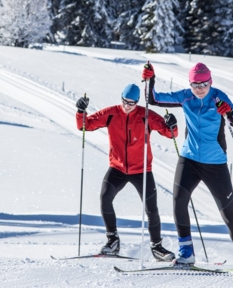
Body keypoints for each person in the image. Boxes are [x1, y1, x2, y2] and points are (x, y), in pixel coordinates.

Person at [142, 61, 233, 272]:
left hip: (215, 163)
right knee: (179, 200)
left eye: (203, 85)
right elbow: (153, 99)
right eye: (195, 85)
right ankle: (186, 253)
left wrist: (229, 113)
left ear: (210, 82)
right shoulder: (185, 97)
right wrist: (149, 80)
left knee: (228, 213)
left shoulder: (218, 97)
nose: (199, 89)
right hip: (189, 159)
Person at [75, 83, 177, 261]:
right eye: (125, 101)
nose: (128, 106)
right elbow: (85, 126)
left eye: (132, 103)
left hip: (142, 170)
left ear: (137, 102)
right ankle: (112, 241)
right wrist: (80, 111)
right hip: (118, 168)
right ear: (121, 98)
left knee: (151, 209)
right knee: (105, 198)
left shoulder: (146, 116)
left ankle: (157, 247)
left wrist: (172, 125)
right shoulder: (111, 113)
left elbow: (170, 134)